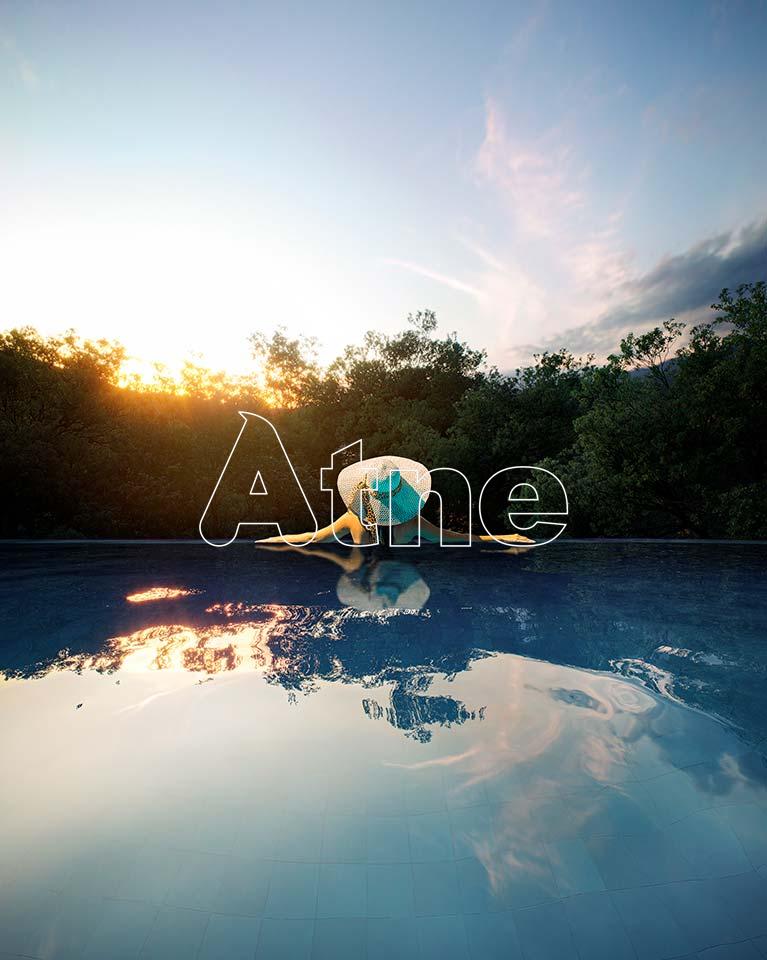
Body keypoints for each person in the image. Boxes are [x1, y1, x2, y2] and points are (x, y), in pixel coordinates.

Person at [257, 455, 534, 547]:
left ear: (367, 488)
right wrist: (503, 536)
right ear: (402, 491)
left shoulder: (353, 519)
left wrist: (272, 539)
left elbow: (311, 538)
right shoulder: (412, 523)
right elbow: (459, 538)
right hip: (400, 579)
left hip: (363, 580)